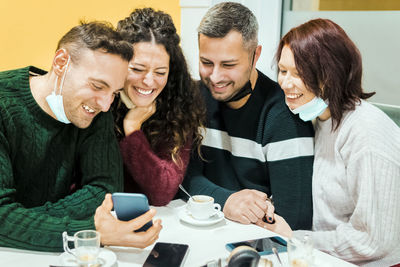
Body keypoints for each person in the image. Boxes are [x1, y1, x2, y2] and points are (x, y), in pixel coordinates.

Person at [0, 21, 161, 252]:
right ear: (60, 63)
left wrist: (23, 222)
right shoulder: (4, 104)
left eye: (114, 93)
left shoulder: (97, 110)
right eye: (97, 86)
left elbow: (104, 187)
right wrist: (90, 231)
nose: (106, 105)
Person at [266, 18, 400, 265]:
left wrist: (295, 238)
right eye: (283, 71)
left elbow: (372, 241)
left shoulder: (366, 132)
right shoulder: (317, 119)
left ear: (331, 74)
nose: (285, 83)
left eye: (299, 74)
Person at [182, 2, 315, 230]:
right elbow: (184, 178)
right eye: (206, 62)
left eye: (228, 64)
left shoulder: (284, 117)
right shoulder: (194, 98)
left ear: (255, 56)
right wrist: (228, 201)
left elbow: (294, 220)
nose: (215, 77)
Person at [113, 8, 205, 206]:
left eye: (160, 72)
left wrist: (133, 129)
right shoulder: (100, 101)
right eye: (138, 69)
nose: (148, 81)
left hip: (158, 224)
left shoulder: (178, 107)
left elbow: (163, 192)